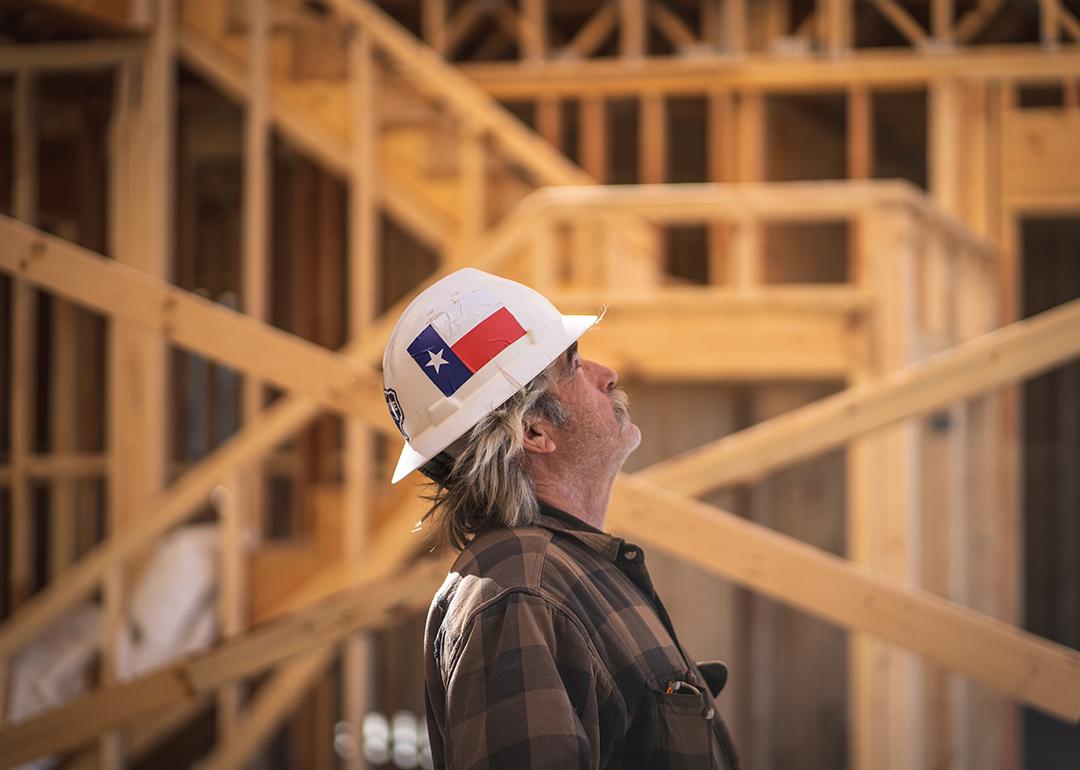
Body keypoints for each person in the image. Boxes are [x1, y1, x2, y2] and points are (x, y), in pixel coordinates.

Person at [383, 268, 741, 770]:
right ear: (533, 430)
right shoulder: (518, 596)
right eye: (572, 364)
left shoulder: (553, 576)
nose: (605, 373)